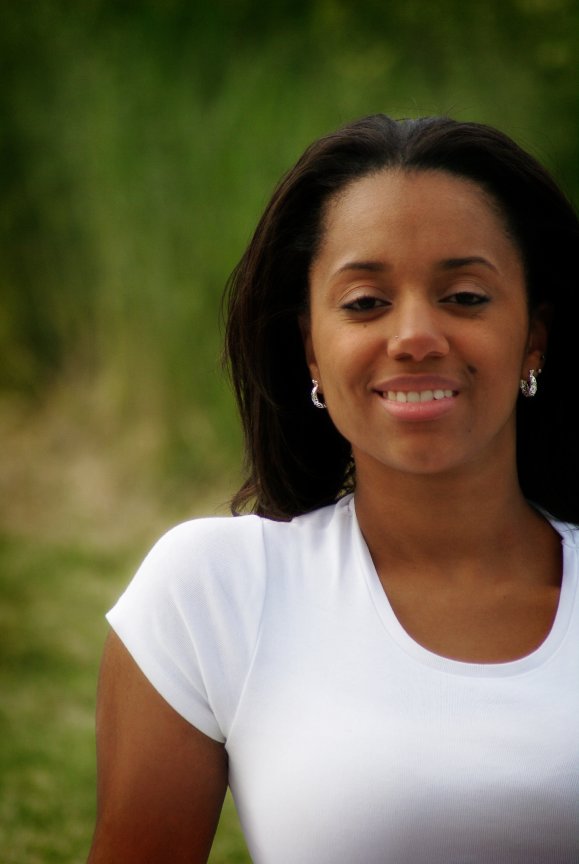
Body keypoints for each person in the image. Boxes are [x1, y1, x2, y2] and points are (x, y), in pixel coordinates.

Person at [87, 114, 579, 863]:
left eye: (464, 296)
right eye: (365, 303)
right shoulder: (217, 591)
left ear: (533, 338)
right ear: (311, 350)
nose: (415, 336)